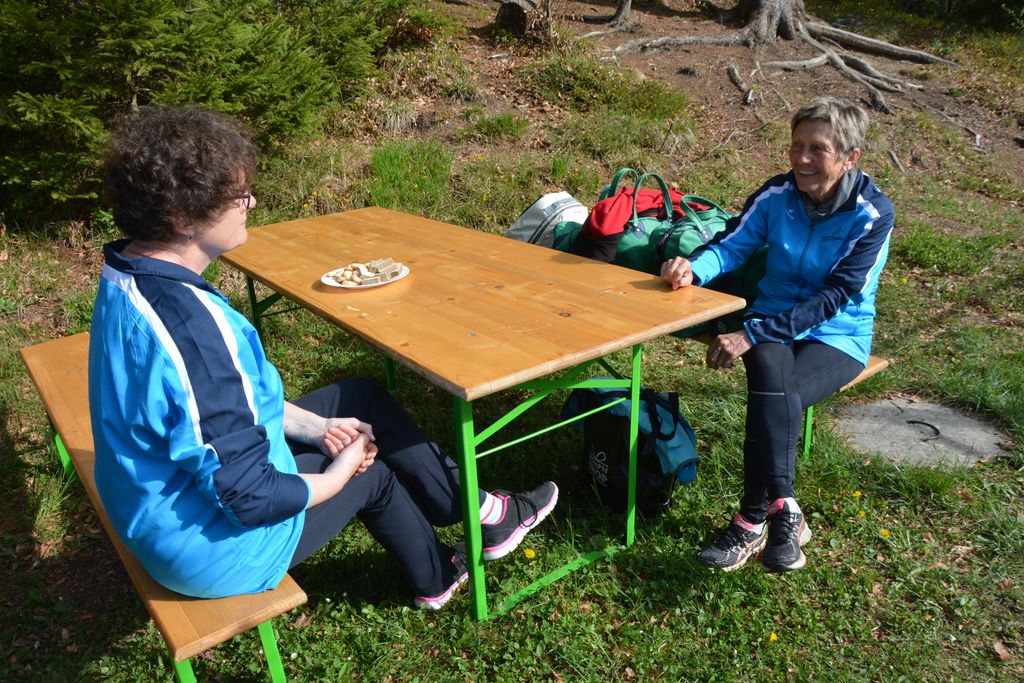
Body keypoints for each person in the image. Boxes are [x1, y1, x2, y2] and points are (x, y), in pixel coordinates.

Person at [88, 105, 558, 609]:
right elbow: (250, 497)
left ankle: (479, 512)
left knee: (359, 399)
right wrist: (339, 472)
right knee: (368, 472)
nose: (251, 202)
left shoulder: (129, 274)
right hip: (210, 548)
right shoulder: (194, 333)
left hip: (154, 509)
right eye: (236, 196)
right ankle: (439, 576)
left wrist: (317, 429)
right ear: (182, 218)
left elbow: (202, 412)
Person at [661, 96, 894, 573]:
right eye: (796, 145)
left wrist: (753, 333)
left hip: (838, 335)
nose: (802, 159)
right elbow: (732, 244)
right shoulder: (777, 194)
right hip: (771, 322)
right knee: (773, 385)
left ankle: (750, 520)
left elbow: (837, 295)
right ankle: (784, 510)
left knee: (773, 399)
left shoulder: (872, 214)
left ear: (850, 158)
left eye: (817, 149)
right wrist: (693, 269)